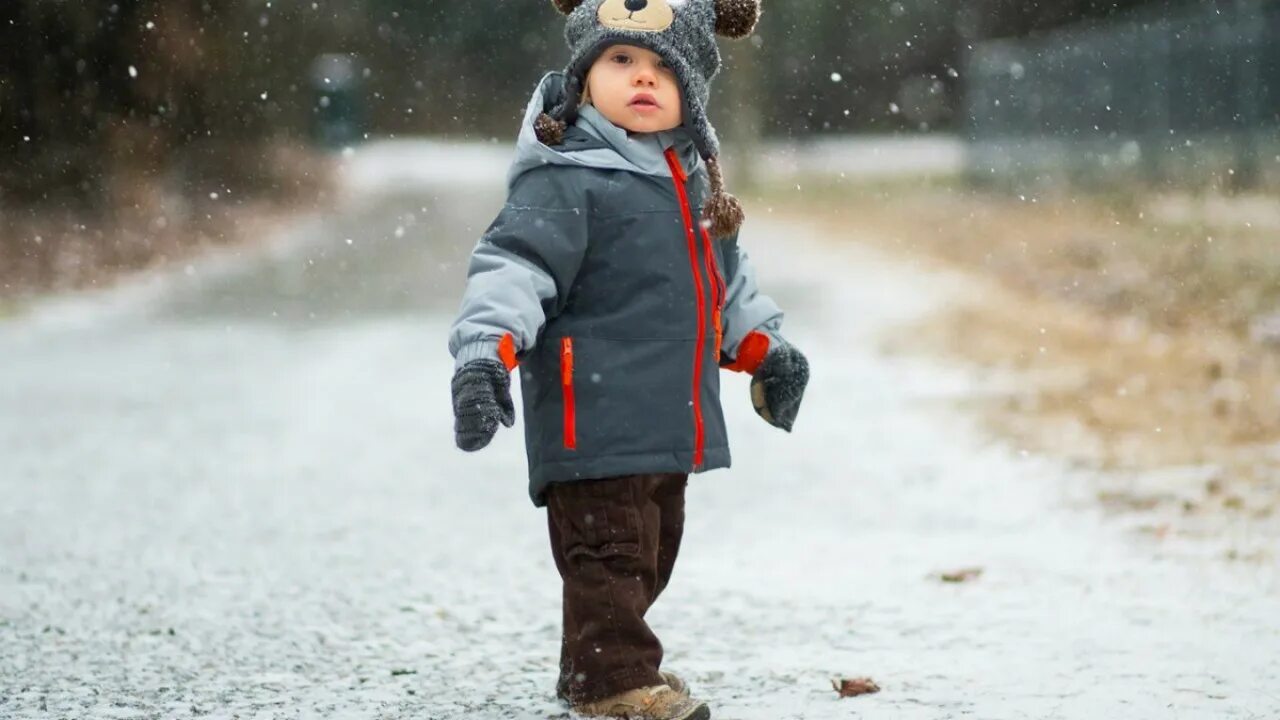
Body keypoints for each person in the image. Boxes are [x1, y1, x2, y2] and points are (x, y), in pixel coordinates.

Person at [447, 1, 807, 717]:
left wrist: (766, 347)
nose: (642, 79)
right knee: (608, 553)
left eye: (662, 68)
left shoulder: (692, 182)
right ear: (584, 78)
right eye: (620, 61)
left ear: (691, 91)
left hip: (667, 420)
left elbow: (724, 284)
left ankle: (592, 666)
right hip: (593, 414)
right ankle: (614, 680)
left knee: (649, 551)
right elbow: (512, 268)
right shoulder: (566, 176)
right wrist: (486, 353)